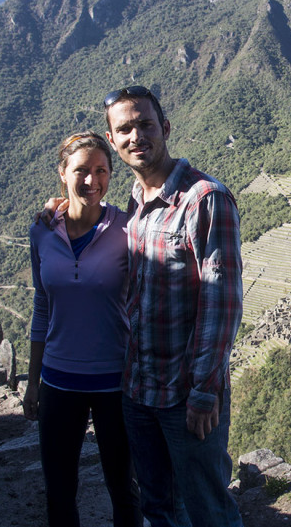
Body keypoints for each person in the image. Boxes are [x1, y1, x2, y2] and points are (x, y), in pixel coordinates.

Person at [103, 85, 244, 527]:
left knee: (208, 509)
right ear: (113, 141)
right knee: (158, 507)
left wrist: (204, 392)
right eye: (125, 129)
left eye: (145, 125)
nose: (136, 136)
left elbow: (221, 304)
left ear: (165, 127)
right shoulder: (135, 202)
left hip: (185, 395)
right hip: (137, 390)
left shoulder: (205, 199)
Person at [25, 131, 142, 527]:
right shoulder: (41, 231)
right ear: (62, 173)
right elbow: (42, 307)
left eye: (101, 171)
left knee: (123, 489)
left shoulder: (128, 231)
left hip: (116, 382)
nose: (92, 181)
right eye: (81, 171)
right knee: (58, 491)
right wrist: (32, 382)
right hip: (58, 380)